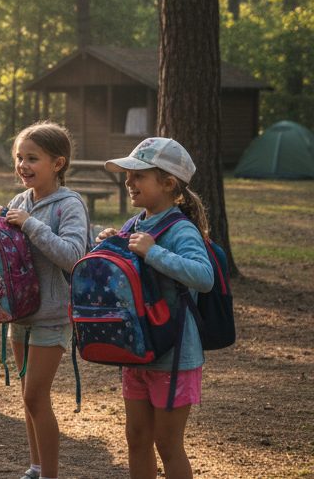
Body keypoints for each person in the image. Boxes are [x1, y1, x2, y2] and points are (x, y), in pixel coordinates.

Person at [98, 138, 213, 479]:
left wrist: (154, 252)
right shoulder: (134, 225)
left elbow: (204, 276)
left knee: (167, 444)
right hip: (137, 351)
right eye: (128, 175)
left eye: (138, 175)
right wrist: (110, 245)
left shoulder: (181, 229)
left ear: (168, 183)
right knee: (136, 438)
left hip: (174, 356)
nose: (128, 181)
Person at [0, 121, 89, 479]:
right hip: (20, 313)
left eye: (32, 158)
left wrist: (30, 224)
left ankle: (49, 474)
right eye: (19, 157)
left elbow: (74, 257)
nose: (23, 165)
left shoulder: (70, 204)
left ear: (58, 163)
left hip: (52, 315)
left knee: (34, 396)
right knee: (28, 396)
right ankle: (35, 467)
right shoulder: (19, 201)